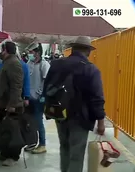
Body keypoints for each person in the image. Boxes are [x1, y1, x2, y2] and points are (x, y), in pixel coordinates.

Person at [44, 36, 106, 172]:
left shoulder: (57, 64)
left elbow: (46, 87)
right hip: (81, 118)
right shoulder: (91, 70)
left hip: (60, 114)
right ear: (88, 51)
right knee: (76, 154)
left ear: (72, 48)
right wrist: (100, 122)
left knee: (64, 148)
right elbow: (97, 98)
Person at [0, 41, 24, 166]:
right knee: (4, 131)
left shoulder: (14, 63)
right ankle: (4, 154)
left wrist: (13, 104)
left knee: (12, 132)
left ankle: (13, 156)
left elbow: (16, 86)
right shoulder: (7, 62)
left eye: (2, 50)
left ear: (6, 50)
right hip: (3, 104)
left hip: (11, 105)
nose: (0, 52)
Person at [26, 42, 50, 153]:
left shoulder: (44, 64)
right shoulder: (29, 63)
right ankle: (31, 143)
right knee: (29, 121)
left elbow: (47, 81)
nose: (29, 54)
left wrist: (40, 93)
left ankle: (43, 144)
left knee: (38, 121)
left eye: (31, 52)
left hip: (38, 98)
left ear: (37, 53)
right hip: (29, 98)